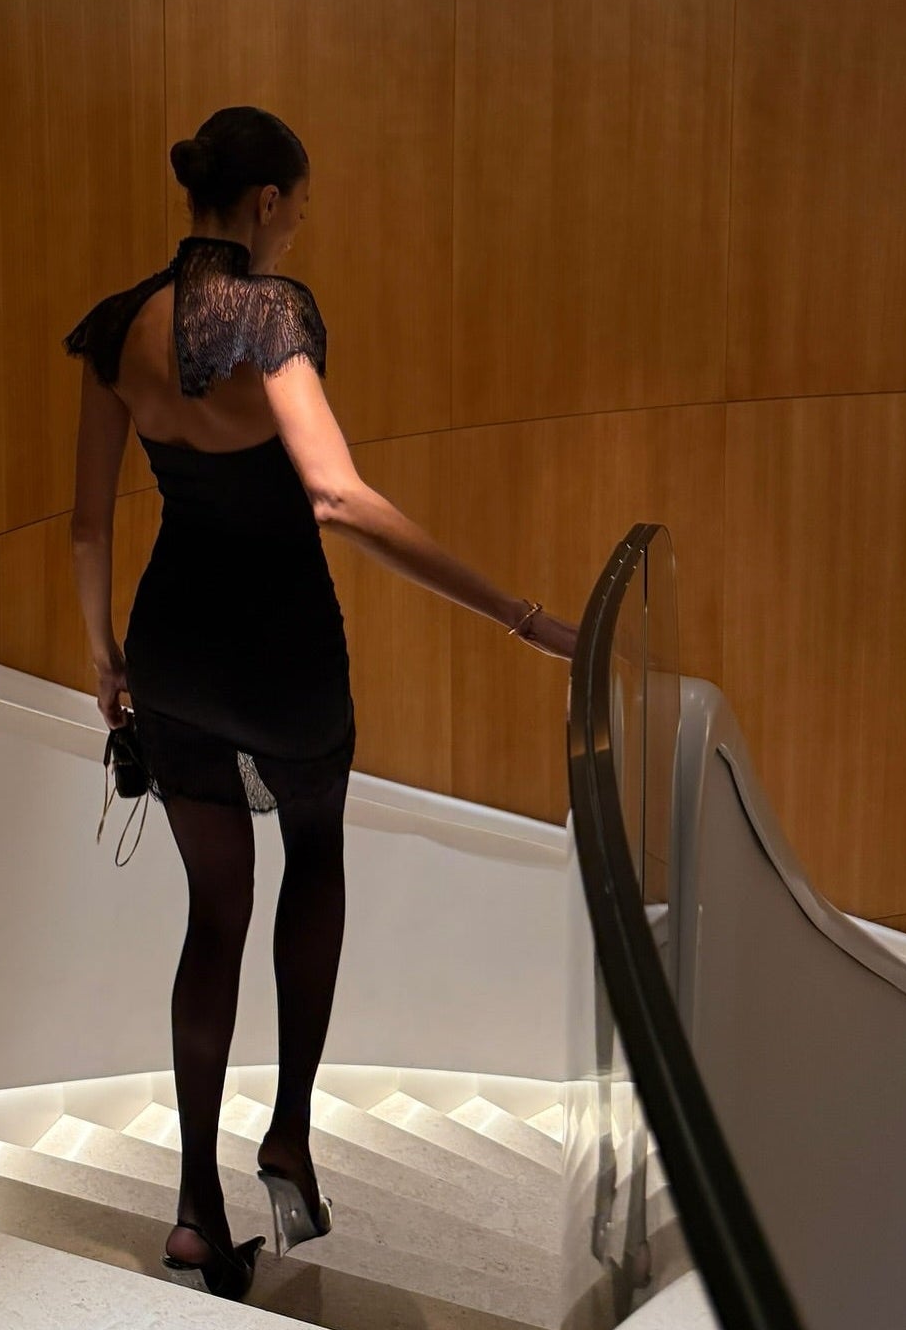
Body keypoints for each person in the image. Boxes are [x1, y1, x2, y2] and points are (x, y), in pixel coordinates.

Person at [63, 106, 577, 1301]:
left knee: (212, 919)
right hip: (284, 652)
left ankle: (195, 1209)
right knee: (317, 861)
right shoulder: (272, 316)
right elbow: (335, 499)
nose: (300, 222)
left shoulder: (114, 331)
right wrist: (518, 615)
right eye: (299, 202)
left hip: (172, 651)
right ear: (265, 206)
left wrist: (105, 660)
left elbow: (90, 524)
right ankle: (287, 1134)